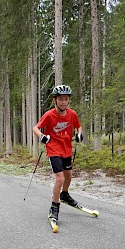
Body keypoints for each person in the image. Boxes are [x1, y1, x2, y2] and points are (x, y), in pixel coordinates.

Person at [33, 84, 83, 223]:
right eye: (60, 99)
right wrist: (42, 136)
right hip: (54, 149)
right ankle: (54, 207)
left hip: (66, 149)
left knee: (68, 177)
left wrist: (79, 134)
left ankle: (65, 194)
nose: (63, 102)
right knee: (60, 179)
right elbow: (35, 128)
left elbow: (78, 126)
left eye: (66, 99)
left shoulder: (72, 114)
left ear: (68, 100)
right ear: (55, 100)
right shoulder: (49, 115)